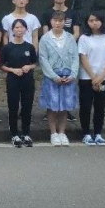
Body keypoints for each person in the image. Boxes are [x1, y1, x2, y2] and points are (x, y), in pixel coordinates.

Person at [78, 12, 105, 146]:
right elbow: (83, 58)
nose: (94, 23)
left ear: (102, 21)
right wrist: (94, 78)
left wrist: (101, 77)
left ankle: (98, 133)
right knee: (85, 106)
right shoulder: (84, 38)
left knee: (100, 107)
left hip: (104, 78)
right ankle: (86, 134)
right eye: (91, 20)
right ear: (87, 23)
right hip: (86, 77)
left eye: (97, 20)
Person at [38, 11, 80, 147]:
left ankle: (62, 132)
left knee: (64, 107)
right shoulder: (45, 39)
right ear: (51, 22)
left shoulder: (70, 38)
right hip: (52, 76)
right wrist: (53, 76)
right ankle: (53, 133)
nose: (57, 23)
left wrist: (73, 74)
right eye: (55, 21)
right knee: (52, 106)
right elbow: (43, 59)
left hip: (68, 75)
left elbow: (75, 57)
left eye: (60, 21)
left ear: (64, 22)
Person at [41, 0, 81, 122]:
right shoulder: (47, 13)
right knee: (51, 89)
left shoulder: (73, 13)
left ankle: (66, 111)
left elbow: (76, 32)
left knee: (67, 88)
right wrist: (54, 43)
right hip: (52, 49)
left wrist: (67, 43)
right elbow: (45, 32)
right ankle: (50, 111)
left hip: (68, 49)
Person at [0, 19, 38, 148]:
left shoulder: (30, 47)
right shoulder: (7, 47)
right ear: (12, 30)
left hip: (28, 80)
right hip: (13, 80)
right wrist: (12, 70)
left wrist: (29, 67)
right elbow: (1, 65)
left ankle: (26, 133)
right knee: (13, 107)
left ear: (26, 30)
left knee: (27, 107)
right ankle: (14, 134)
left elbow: (35, 63)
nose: (19, 30)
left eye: (22, 27)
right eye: (16, 27)